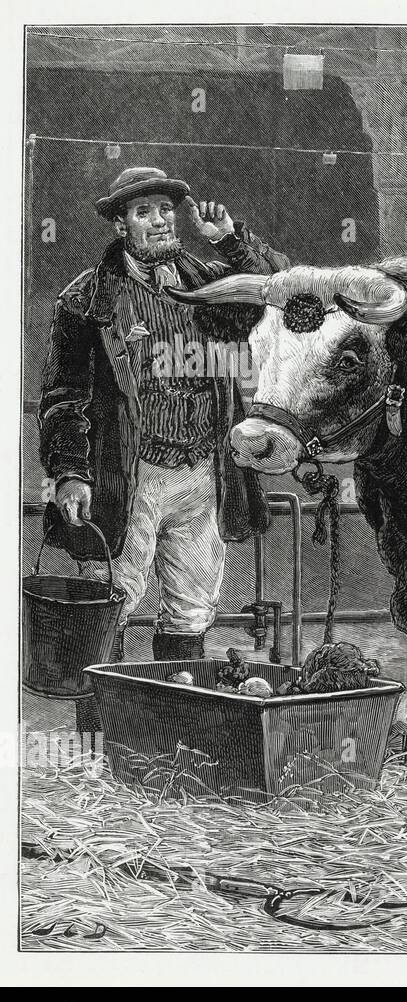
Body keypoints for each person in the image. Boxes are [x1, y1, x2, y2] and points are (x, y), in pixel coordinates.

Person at [39, 166, 288, 732]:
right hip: (131, 477)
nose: (159, 220)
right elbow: (64, 396)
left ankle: (175, 730)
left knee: (192, 608)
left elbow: (277, 292)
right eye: (144, 212)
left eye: (165, 210)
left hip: (204, 471)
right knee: (112, 603)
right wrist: (71, 472)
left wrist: (231, 240)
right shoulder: (85, 301)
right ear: (122, 224)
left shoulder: (208, 283)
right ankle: (104, 738)